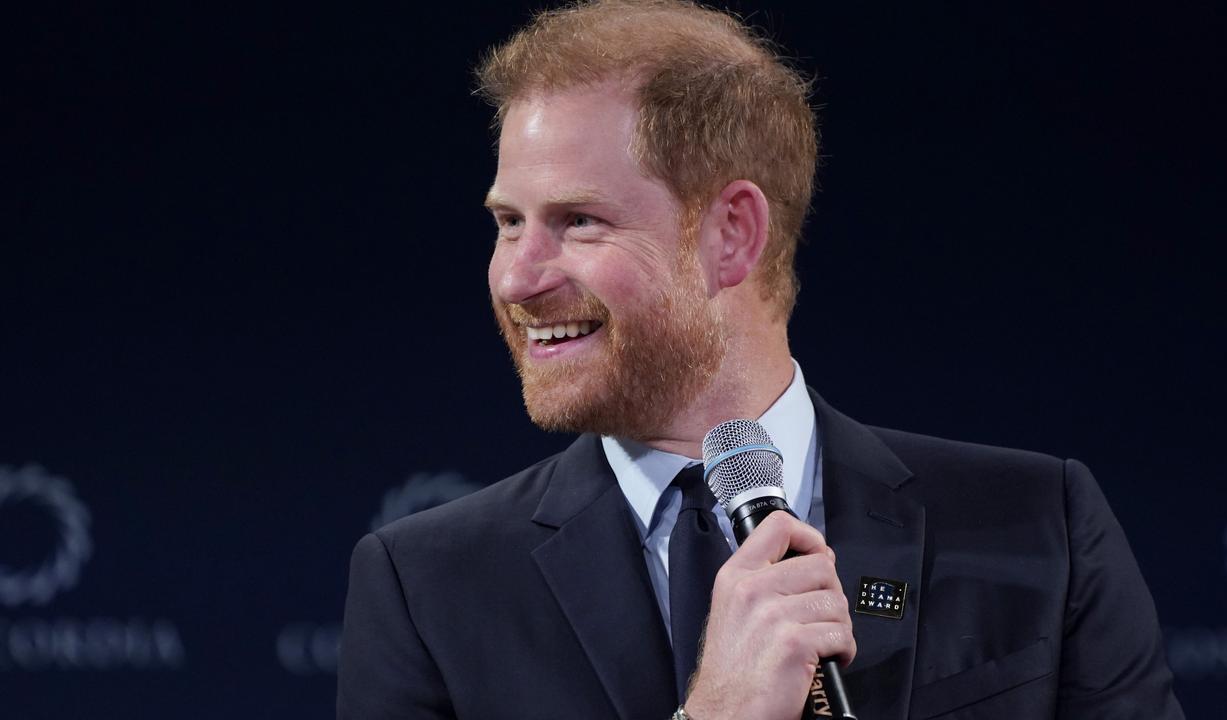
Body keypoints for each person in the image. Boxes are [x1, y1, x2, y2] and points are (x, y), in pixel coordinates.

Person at [337, 2, 1184, 718]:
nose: (515, 277)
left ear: (730, 235)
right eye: (507, 222)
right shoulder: (427, 589)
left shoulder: (1041, 528)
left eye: (578, 221)